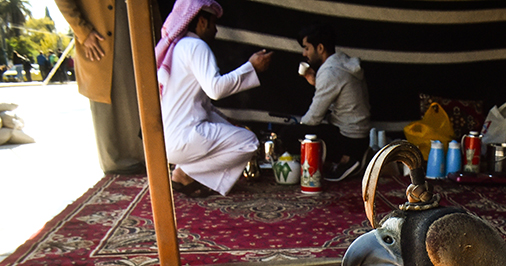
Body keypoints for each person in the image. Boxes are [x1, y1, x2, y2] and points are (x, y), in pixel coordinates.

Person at [156, 0, 272, 196]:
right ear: (202, 22)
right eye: (213, 23)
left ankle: (184, 170)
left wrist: (227, 121)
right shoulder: (196, 46)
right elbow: (215, 90)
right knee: (248, 142)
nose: (216, 30)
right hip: (184, 139)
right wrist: (251, 67)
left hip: (165, 141)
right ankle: (184, 172)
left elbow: (202, 105)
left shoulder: (179, 47)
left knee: (232, 131)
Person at [55, 0, 148, 174]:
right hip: (102, 34)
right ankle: (119, 165)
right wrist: (83, 32)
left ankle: (146, 156)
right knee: (109, 95)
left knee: (140, 93)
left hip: (137, 23)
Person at [280, 21, 371, 182]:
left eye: (307, 48)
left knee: (288, 134)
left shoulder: (330, 72)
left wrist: (299, 127)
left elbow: (313, 118)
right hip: (361, 137)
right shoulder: (343, 64)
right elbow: (341, 95)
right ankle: (353, 156)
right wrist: (316, 82)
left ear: (320, 48)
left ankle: (346, 160)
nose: (304, 53)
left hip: (348, 139)